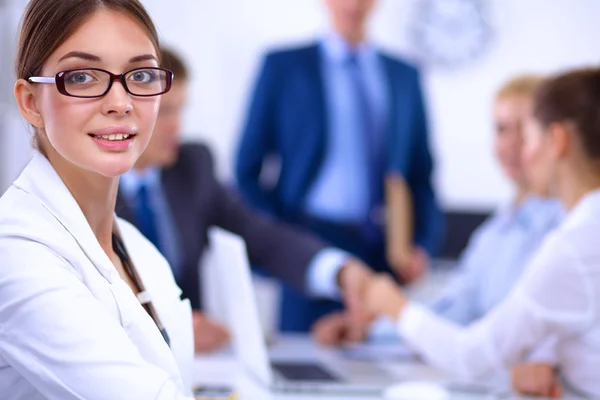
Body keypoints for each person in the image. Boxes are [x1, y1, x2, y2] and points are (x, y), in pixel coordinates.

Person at [117, 48, 376, 353]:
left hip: (197, 372)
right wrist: (171, 330)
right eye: (165, 112)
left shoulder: (192, 166)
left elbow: (261, 237)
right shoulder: (86, 187)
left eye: (181, 110)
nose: (177, 126)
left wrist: (337, 271)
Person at [362, 68, 600, 398]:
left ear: (557, 141)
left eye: (528, 135)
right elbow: (459, 305)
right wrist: (376, 325)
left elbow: (472, 355)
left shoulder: (573, 241)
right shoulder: (501, 231)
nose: (522, 151)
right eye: (503, 130)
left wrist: (396, 308)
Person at [0, 0, 198, 398]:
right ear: (30, 101)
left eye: (140, 75)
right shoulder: (14, 253)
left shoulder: (135, 248)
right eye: (82, 77)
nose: (120, 102)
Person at [235, 0, 444, 332]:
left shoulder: (404, 75)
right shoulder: (283, 68)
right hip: (309, 248)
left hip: (383, 254)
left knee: (380, 369)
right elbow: (246, 171)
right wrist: (279, 241)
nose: (353, 3)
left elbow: (421, 172)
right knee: (302, 370)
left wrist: (422, 244)